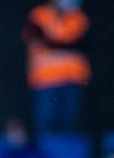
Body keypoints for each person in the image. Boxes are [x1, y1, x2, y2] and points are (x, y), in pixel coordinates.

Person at [22, 0, 92, 134]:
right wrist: (63, 45)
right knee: (45, 122)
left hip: (72, 78)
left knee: (68, 122)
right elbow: (34, 38)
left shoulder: (79, 18)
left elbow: (83, 44)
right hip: (46, 79)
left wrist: (54, 44)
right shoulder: (40, 16)